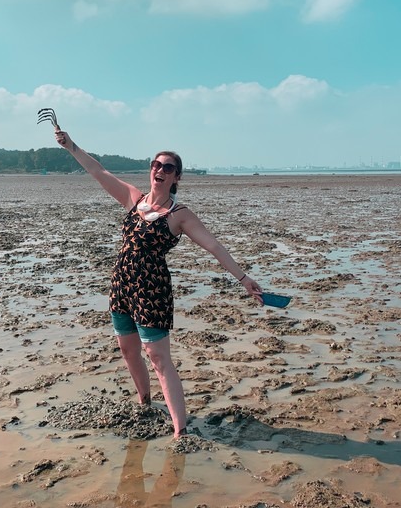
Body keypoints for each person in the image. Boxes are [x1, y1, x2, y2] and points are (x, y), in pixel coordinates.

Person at [55, 129, 264, 438]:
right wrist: (72, 146)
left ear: (176, 177)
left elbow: (214, 246)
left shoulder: (179, 215)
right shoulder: (133, 198)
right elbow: (99, 171)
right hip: (122, 284)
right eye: (156, 164)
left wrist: (243, 279)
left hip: (152, 290)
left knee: (158, 358)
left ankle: (181, 429)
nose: (160, 170)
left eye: (168, 167)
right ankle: (145, 402)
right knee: (127, 350)